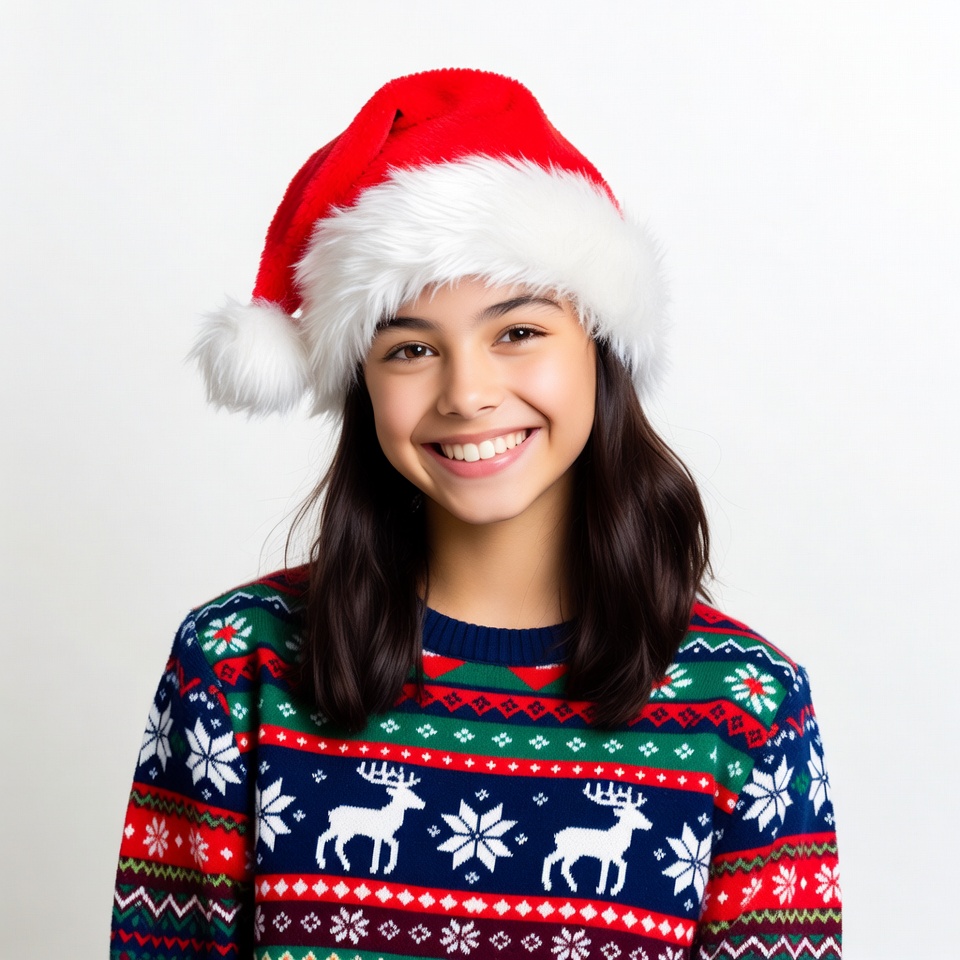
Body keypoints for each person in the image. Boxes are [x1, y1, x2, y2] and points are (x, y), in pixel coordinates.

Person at [111, 69, 841, 960]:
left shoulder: (746, 708)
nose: (467, 392)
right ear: (361, 386)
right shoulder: (234, 668)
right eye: (411, 348)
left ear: (599, 352)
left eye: (518, 332)